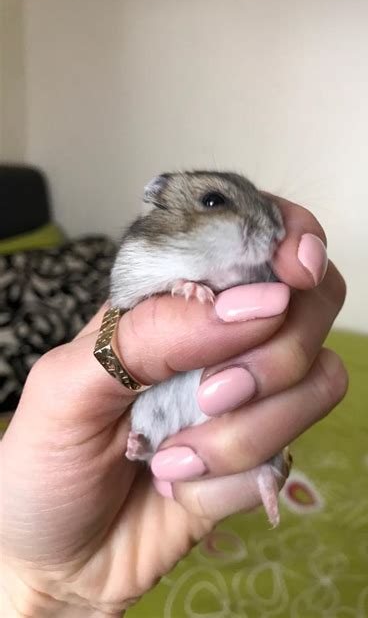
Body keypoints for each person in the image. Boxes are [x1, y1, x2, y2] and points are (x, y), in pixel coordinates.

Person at [0, 195, 347, 617]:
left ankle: (189, 456)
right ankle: (157, 447)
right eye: (216, 200)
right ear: (160, 201)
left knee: (246, 397)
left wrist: (38, 587)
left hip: (189, 413)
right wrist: (29, 577)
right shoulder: (150, 248)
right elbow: (127, 290)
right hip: (150, 413)